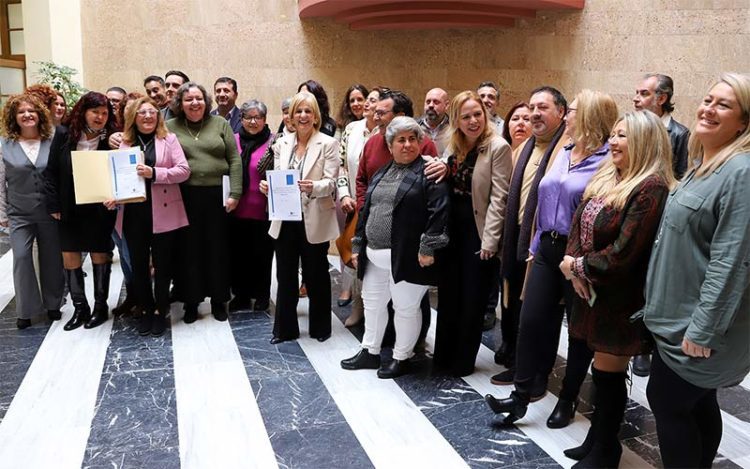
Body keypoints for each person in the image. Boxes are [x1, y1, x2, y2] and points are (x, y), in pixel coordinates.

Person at [486, 89, 618, 429]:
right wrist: (534, 242)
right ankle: (520, 398)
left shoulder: (607, 161)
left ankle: (568, 398)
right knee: (529, 322)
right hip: (546, 248)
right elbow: (544, 198)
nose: (567, 116)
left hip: (579, 255)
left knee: (577, 331)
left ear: (587, 116)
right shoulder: (566, 151)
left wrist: (581, 261)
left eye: (571, 110)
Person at [643, 73, 750, 469]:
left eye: (724, 104)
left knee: (668, 403)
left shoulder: (741, 171)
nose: (708, 109)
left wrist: (703, 329)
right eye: (708, 99)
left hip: (696, 326)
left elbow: (732, 259)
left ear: (744, 123)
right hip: (676, 318)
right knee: (698, 403)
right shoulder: (704, 162)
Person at [559, 111, 675, 467]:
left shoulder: (651, 187)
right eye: (613, 134)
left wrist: (577, 266)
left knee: (609, 375)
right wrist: (572, 262)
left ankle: (606, 450)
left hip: (620, 299)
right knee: (601, 369)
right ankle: (596, 438)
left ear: (643, 141)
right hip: (591, 290)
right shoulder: (610, 173)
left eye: (622, 136)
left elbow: (624, 253)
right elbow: (579, 222)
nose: (613, 142)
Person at [341, 116, 450, 378]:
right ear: (390, 145)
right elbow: (367, 210)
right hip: (373, 254)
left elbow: (440, 212)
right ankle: (370, 351)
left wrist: (428, 247)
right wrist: (357, 244)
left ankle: (402, 357)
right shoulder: (382, 172)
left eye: (413, 139)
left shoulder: (429, 171)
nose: (407, 144)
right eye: (401, 139)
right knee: (373, 304)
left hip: (409, 256)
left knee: (405, 308)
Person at [433, 91, 512, 377]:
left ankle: (463, 360)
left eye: (477, 114)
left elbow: (499, 199)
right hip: (450, 231)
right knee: (449, 295)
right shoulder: (452, 145)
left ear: (485, 114)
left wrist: (490, 241)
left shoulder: (498, 147)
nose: (473, 120)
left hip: (477, 233)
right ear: (456, 120)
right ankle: (443, 357)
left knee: (472, 299)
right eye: (465, 116)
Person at [492, 87, 568, 380]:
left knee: (537, 312)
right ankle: (517, 358)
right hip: (517, 234)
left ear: (561, 112)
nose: (535, 114)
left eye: (542, 108)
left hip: (544, 241)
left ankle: (533, 371)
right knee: (513, 302)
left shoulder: (564, 149)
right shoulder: (525, 146)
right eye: (532, 107)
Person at [259, 91, 339, 343]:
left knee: (316, 275)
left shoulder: (328, 143)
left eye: (308, 111)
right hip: (285, 218)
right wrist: (268, 188)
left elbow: (332, 183)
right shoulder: (282, 142)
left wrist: (313, 187)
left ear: (315, 116)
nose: (303, 116)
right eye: (298, 111)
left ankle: (320, 328)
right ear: (291, 116)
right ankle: (285, 329)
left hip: (314, 217)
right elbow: (278, 176)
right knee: (284, 274)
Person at [631, 72, 691, 377]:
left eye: (643, 93)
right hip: (634, 211)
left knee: (651, 282)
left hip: (660, 216)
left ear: (662, 98)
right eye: (637, 92)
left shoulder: (679, 134)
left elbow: (679, 178)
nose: (636, 98)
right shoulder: (633, 128)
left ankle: (645, 347)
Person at [114, 96, 190, 336]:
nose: (147, 116)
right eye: (142, 113)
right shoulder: (124, 143)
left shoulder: (169, 139)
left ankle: (160, 310)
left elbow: (184, 171)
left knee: (163, 265)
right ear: (133, 117)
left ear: (158, 116)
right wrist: (112, 196)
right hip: (132, 214)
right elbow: (116, 177)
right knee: (138, 266)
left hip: (164, 212)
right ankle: (145, 309)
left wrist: (154, 172)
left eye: (152, 112)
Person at [166, 82, 241, 322]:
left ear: (206, 101)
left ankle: (219, 300)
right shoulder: (169, 127)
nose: (194, 103)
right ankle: (191, 301)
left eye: (198, 98)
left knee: (217, 250)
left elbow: (234, 159)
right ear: (180, 104)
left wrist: (235, 194)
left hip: (218, 196)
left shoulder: (220, 124)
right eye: (188, 99)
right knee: (188, 251)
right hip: (184, 196)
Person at [44, 91, 118, 330]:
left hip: (100, 205)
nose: (100, 117)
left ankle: (100, 307)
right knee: (70, 254)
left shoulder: (111, 138)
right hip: (68, 205)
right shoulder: (65, 134)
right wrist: (54, 205)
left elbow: (120, 171)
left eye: (105, 113)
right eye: (95, 112)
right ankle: (80, 308)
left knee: (100, 253)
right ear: (83, 112)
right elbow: (51, 172)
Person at [0, 93, 64, 329]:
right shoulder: (4, 144)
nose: (27, 115)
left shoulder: (52, 139)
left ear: (39, 115)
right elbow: (0, 182)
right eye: (21, 112)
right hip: (19, 213)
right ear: (13, 117)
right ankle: (26, 309)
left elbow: (59, 176)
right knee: (22, 257)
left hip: (49, 212)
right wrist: (2, 215)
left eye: (31, 111)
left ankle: (53, 304)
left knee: (51, 259)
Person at [336, 86, 381, 325]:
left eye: (372, 100)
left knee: (376, 263)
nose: (366, 104)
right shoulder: (352, 129)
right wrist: (344, 194)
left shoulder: (387, 132)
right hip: (354, 205)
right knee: (355, 257)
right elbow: (341, 165)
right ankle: (358, 308)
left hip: (380, 207)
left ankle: (377, 314)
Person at [228, 99, 274, 313]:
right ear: (241, 119)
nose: (253, 121)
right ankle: (241, 296)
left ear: (264, 120)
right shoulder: (233, 140)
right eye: (248, 117)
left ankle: (262, 295)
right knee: (238, 256)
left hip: (263, 212)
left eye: (258, 117)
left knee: (262, 257)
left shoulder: (274, 143)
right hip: (237, 210)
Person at [418, 88, 451, 156]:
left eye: (436, 102)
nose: (431, 105)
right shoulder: (415, 127)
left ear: (446, 105)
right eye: (428, 102)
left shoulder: (455, 128)